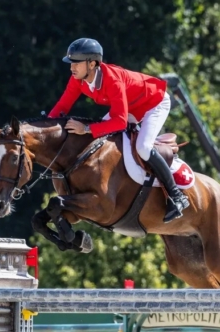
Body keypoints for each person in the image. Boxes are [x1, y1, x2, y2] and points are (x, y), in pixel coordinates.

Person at [48, 38, 190, 223]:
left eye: (76, 63)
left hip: (154, 103)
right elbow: (62, 106)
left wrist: (87, 128)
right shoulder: (78, 80)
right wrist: (43, 128)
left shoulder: (112, 80)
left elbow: (120, 122)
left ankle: (177, 196)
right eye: (71, 63)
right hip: (128, 106)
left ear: (92, 63)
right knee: (99, 142)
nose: (71, 68)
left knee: (143, 147)